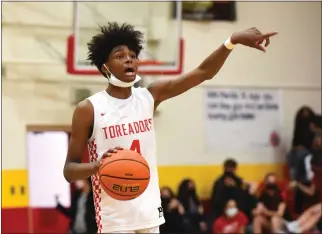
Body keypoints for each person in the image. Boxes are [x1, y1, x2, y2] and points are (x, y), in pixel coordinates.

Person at [63, 22, 278, 233]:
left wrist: (232, 41)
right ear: (105, 67)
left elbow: (203, 72)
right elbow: (69, 171)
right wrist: (97, 166)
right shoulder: (89, 108)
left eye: (132, 55)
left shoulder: (150, 96)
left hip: (149, 212)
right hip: (114, 218)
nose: (129, 59)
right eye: (120, 56)